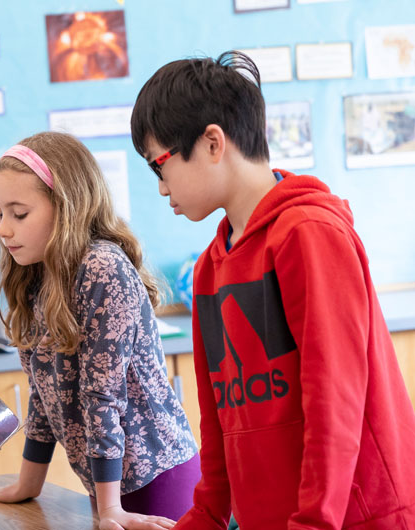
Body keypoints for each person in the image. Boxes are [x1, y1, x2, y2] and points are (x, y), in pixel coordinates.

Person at [130, 50, 415, 529]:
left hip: (353, 518)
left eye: (160, 166)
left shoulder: (308, 233)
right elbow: (219, 422)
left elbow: (334, 402)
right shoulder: (209, 269)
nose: (161, 188)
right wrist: (204, 516)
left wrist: (314, 522)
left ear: (213, 143)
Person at [0, 131, 201, 530]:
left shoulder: (102, 267)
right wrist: (28, 483)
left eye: (19, 214)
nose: (3, 229)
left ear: (66, 208)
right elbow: (44, 392)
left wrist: (110, 510)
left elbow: (101, 394)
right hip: (109, 484)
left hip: (154, 475)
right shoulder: (38, 274)